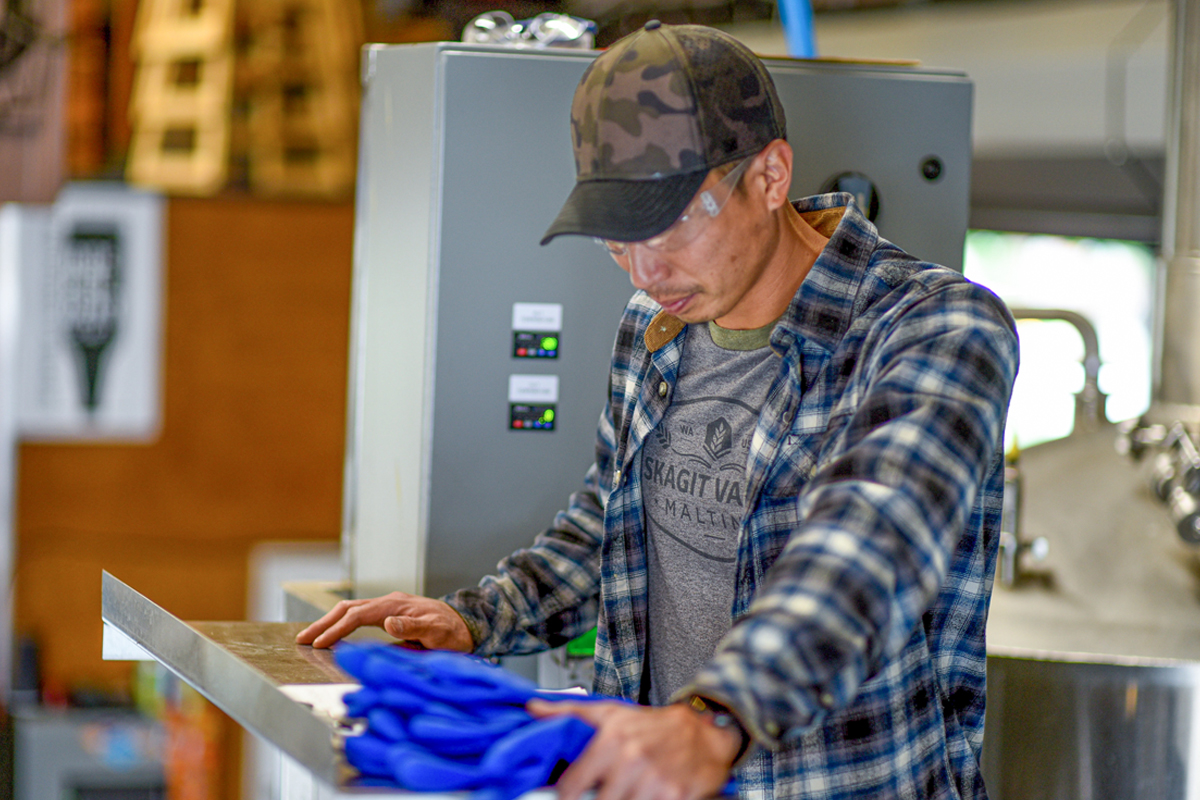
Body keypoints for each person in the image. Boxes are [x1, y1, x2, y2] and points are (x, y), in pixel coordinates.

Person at [298, 21, 1018, 800]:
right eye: (618, 238)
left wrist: (713, 720)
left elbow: (866, 549)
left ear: (770, 177)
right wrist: (477, 617)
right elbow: (609, 521)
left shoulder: (935, 329)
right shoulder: (658, 325)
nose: (646, 269)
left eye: (672, 223)